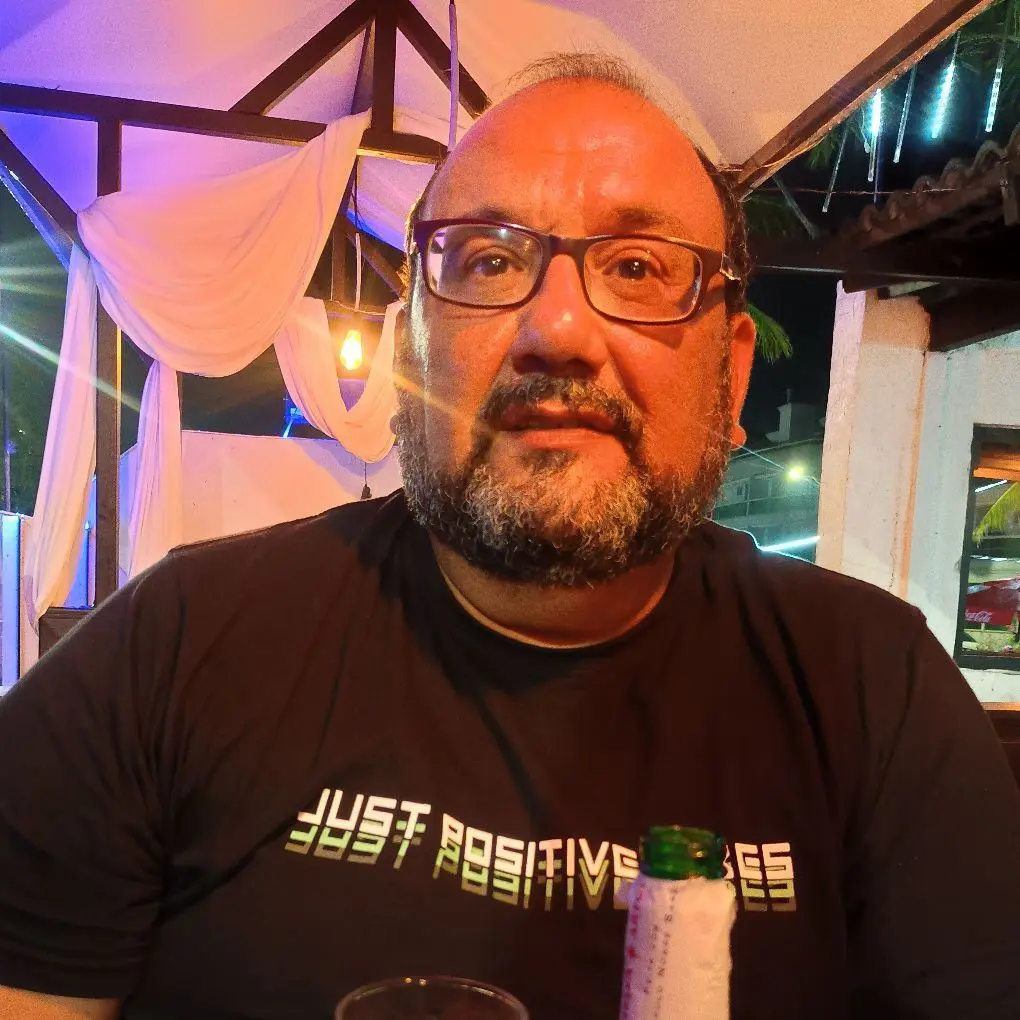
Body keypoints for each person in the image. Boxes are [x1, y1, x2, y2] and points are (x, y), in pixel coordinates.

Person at [1, 54, 1019, 1020]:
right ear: (410, 350)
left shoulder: (873, 691)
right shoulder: (178, 647)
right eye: (488, 261)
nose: (557, 331)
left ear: (734, 371)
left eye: (638, 266)